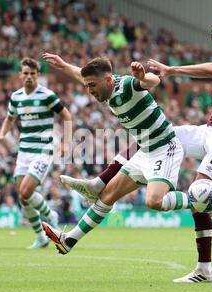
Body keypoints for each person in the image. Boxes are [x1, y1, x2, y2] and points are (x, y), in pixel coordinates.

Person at [47, 15, 212, 283]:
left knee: (199, 190)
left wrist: (172, 70)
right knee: (150, 140)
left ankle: (205, 251)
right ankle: (75, 230)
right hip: (209, 131)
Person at [41, 54, 193, 257]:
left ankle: (203, 200)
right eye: (87, 86)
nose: (89, 90)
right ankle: (69, 240)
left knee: (154, 202)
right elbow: (82, 75)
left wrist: (142, 78)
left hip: (164, 147)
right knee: (106, 196)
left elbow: (154, 81)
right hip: (144, 150)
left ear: (108, 80)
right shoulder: (105, 87)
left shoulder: (128, 85)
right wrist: (64, 65)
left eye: (92, 85)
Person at [0, 57, 72, 249]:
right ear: (20, 75)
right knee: (22, 197)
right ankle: (41, 237)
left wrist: (66, 142)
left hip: (44, 149)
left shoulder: (47, 95)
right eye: (25, 73)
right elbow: (9, 118)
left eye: (32, 73)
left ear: (38, 75)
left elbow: (66, 115)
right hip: (24, 150)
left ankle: (51, 215)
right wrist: (1, 135)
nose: (28, 77)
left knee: (26, 191)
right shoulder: (16, 97)